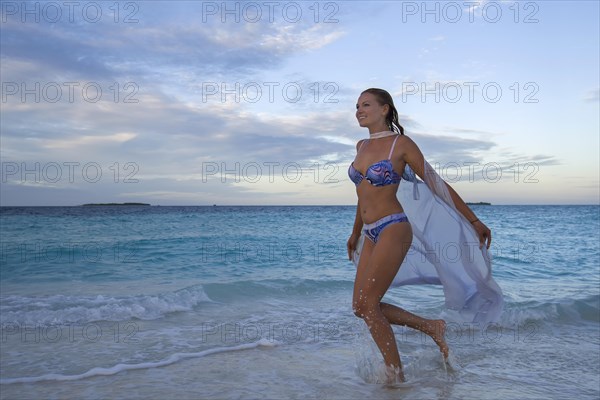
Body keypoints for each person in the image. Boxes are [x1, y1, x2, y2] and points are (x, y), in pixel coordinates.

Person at [346, 88, 492, 383]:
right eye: (357, 106)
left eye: (366, 105)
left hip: (393, 228)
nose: (359, 110)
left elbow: (436, 184)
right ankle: (430, 327)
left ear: (384, 109)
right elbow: (363, 195)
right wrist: (355, 232)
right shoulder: (361, 145)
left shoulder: (401, 144)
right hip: (370, 232)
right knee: (361, 307)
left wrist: (474, 220)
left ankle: (395, 377)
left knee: (370, 305)